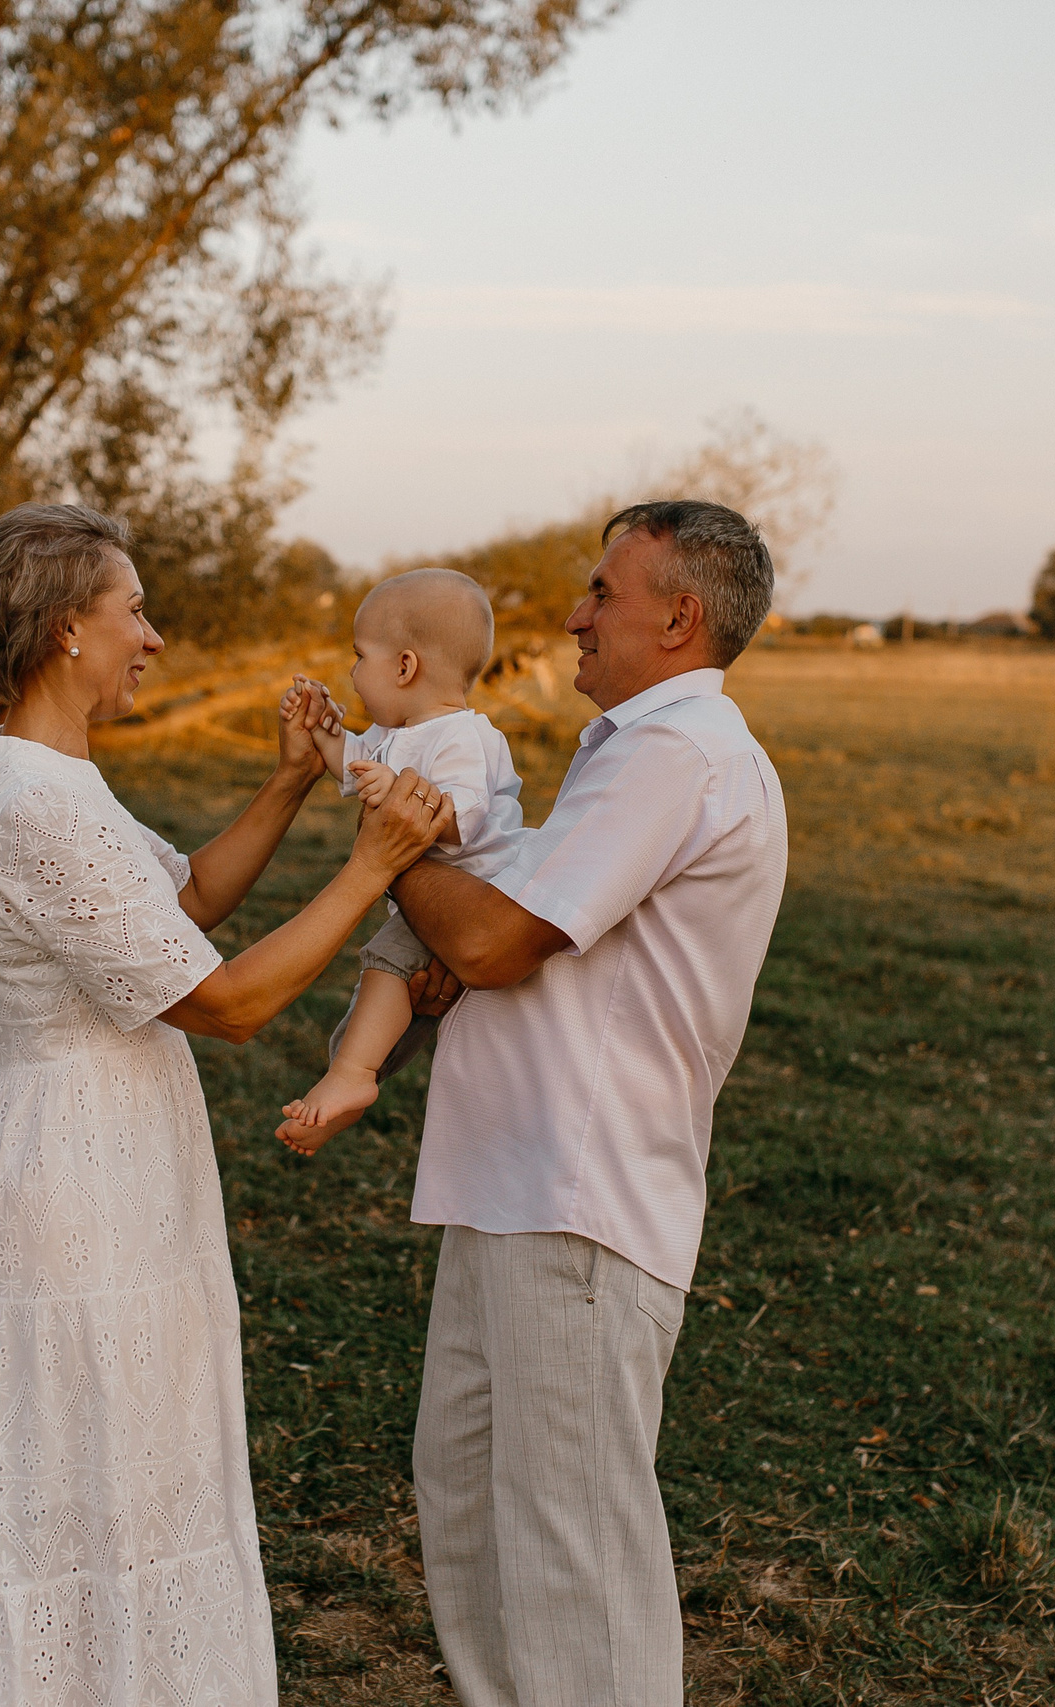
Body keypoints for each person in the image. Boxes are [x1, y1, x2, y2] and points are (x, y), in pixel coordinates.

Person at [0, 502, 451, 1707]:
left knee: (143, 1474)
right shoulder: (32, 807)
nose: (153, 638)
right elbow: (225, 1003)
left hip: (117, 1160)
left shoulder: (57, 781)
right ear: (67, 630)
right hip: (70, 1187)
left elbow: (185, 901)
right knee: (92, 1485)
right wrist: (369, 866)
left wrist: (286, 783)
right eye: (135, 611)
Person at [388, 501, 791, 1707]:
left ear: (678, 619)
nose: (574, 613)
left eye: (603, 593)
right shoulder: (632, 750)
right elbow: (504, 932)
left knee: (571, 1547)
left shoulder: (679, 753)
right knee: (470, 1501)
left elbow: (496, 941)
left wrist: (389, 845)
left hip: (582, 1199)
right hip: (513, 1185)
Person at [273, 567, 527, 1152]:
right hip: (438, 894)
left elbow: (462, 820)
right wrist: (320, 728)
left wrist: (396, 793)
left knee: (386, 965)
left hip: (470, 890)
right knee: (405, 1001)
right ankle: (355, 1081)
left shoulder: (463, 737)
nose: (353, 673)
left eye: (360, 657)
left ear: (405, 667)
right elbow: (352, 764)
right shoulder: (399, 734)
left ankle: (352, 1077)